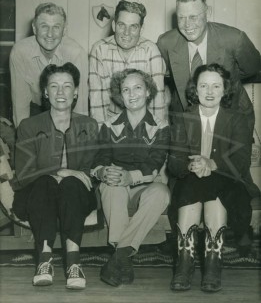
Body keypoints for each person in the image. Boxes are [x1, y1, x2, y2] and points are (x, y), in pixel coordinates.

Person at [168, 63, 258, 293]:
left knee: (214, 187)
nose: (209, 91)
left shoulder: (237, 119)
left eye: (216, 86)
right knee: (191, 186)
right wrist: (192, 164)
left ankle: (212, 264)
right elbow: (175, 162)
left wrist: (212, 163)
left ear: (224, 90)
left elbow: (241, 161)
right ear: (194, 90)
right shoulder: (182, 118)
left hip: (227, 180)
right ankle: (185, 264)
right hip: (191, 178)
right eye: (203, 86)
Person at [12, 62, 99, 290]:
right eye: (54, 86)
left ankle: (73, 263)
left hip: (76, 196)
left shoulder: (89, 125)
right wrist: (62, 171)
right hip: (36, 195)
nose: (61, 93)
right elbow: (23, 174)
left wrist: (71, 176)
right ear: (45, 92)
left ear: (76, 91)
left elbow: (91, 173)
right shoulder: (29, 126)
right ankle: (45, 260)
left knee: (70, 183)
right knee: (47, 182)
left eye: (67, 86)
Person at [91, 69, 170, 286]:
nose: (132, 94)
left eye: (137, 88)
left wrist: (131, 177)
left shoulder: (161, 127)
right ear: (120, 95)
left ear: (147, 92)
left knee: (161, 193)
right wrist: (103, 171)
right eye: (126, 89)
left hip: (144, 185)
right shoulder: (109, 125)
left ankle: (119, 256)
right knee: (112, 183)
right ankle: (124, 259)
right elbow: (99, 159)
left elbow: (155, 164)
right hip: (116, 186)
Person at [157, 0, 260, 130]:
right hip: (186, 119)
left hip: (233, 115)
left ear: (208, 12)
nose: (187, 25)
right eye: (181, 17)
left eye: (193, 17)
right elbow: (167, 75)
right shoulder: (166, 43)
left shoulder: (234, 39)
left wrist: (228, 80)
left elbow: (253, 69)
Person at [89, 0, 167, 127]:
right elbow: (97, 102)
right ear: (114, 26)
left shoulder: (151, 51)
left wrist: (156, 134)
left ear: (141, 30)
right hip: (112, 123)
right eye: (121, 25)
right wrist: (102, 135)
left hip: (144, 123)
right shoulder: (99, 50)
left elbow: (157, 102)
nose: (126, 33)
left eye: (133, 27)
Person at [10, 2, 89, 127]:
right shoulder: (20, 52)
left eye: (56, 27)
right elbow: (20, 108)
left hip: (66, 111)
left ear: (64, 30)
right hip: (36, 110)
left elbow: (80, 107)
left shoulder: (76, 54)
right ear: (34, 28)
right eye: (44, 26)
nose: (50, 34)